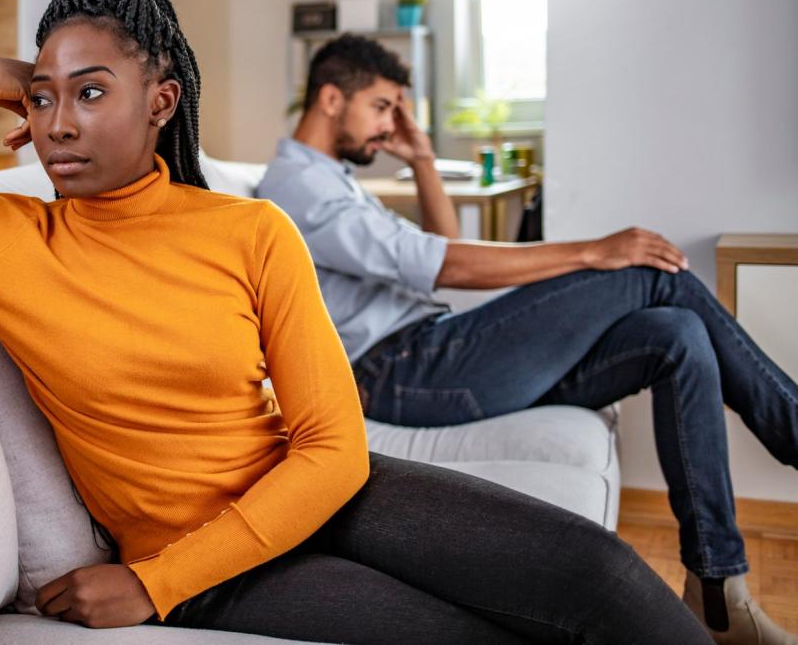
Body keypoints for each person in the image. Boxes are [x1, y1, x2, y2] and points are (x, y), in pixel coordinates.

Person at [0, 0, 711, 644]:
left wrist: (150, 586)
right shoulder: (3, 235)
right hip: (213, 562)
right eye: (41, 98)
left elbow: (333, 447)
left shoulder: (248, 231)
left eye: (91, 93)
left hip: (323, 494)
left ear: (161, 101)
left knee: (599, 572)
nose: (56, 125)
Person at [256, 33, 798, 645]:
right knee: (647, 273)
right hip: (402, 370)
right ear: (332, 98)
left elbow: (439, 239)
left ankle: (718, 591)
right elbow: (441, 264)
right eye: (382, 107)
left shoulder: (336, 181)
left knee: (674, 334)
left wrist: (423, 161)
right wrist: (592, 251)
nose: (390, 125)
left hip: (431, 349)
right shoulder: (294, 186)